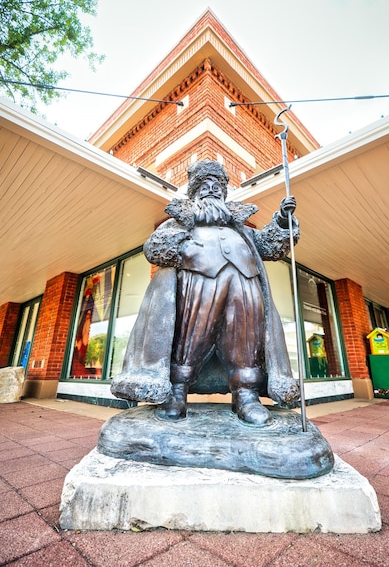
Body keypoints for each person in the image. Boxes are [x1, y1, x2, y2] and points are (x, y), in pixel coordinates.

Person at [111, 160, 300, 426]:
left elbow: (271, 247)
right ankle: (177, 393)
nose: (211, 190)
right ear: (194, 192)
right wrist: (184, 246)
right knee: (188, 338)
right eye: (204, 187)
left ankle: (246, 397)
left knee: (246, 341)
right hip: (197, 282)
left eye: (217, 187)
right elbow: (155, 249)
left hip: (244, 282)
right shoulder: (180, 223)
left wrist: (282, 221)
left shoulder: (242, 229)